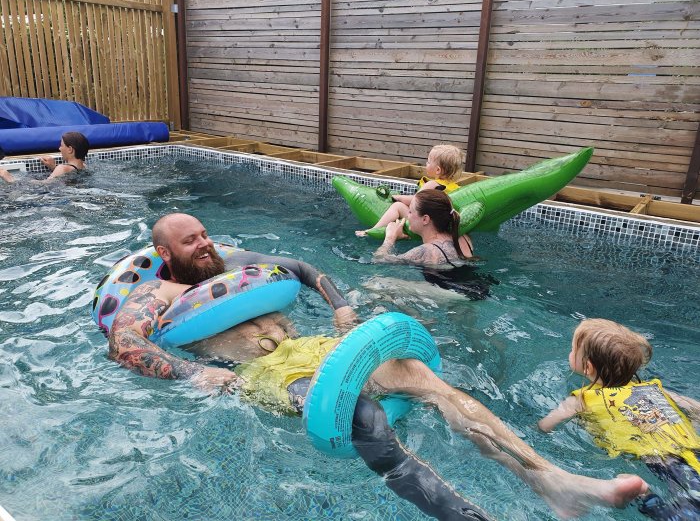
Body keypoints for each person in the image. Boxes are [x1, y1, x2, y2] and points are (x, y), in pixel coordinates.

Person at [108, 213, 648, 520]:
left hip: (317, 348)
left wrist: (340, 304)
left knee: (431, 381)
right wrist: (193, 374)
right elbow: (125, 344)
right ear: (163, 251)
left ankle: (554, 483)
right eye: (190, 241)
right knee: (363, 416)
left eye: (204, 235)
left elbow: (299, 267)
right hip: (266, 374)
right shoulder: (158, 294)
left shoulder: (233, 264)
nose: (203, 244)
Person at [539, 318, 700, 520]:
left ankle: (649, 499)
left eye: (573, 349)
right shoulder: (651, 388)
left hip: (659, 461)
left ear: (588, 367)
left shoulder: (581, 399)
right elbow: (695, 408)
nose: (570, 352)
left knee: (686, 514)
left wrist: (535, 427)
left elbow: (545, 426)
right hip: (691, 448)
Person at [356, 144, 463, 237]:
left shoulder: (433, 184)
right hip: (440, 223)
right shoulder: (455, 187)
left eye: (429, 162)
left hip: (426, 222)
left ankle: (371, 230)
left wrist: (399, 197)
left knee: (397, 206)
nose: (426, 164)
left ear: (438, 170)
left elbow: (416, 201)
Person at [374, 189, 474, 265]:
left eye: (410, 212)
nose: (407, 216)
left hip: (452, 291)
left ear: (425, 219)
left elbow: (379, 260)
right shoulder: (463, 237)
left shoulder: (424, 252)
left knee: (374, 284)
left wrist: (390, 238)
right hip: (479, 286)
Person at [0, 131, 89, 184]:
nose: (59, 148)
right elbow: (70, 173)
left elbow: (44, 184)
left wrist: (11, 179)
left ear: (70, 149)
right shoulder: (84, 166)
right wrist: (54, 167)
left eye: (62, 145)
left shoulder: (62, 168)